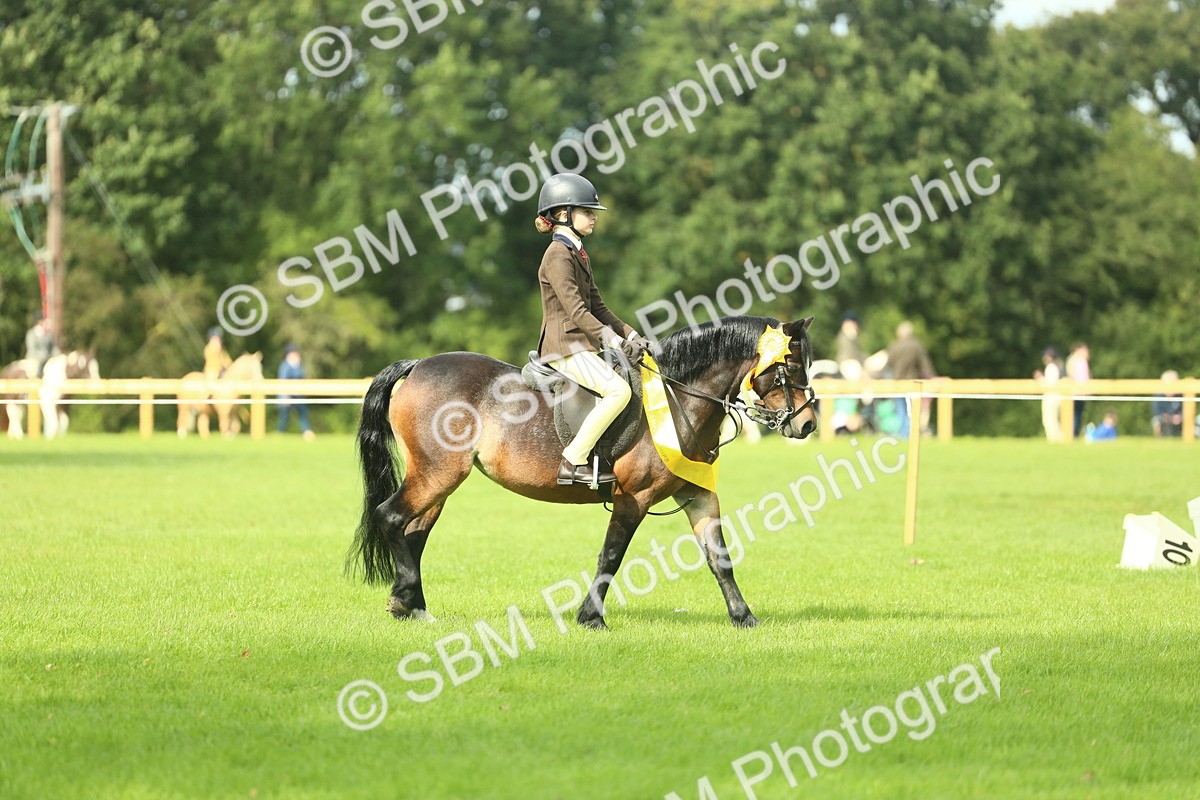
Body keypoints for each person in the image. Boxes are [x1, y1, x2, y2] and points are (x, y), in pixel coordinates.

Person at [534, 173, 649, 486]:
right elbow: (576, 310)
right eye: (587, 212)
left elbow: (598, 307)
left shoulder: (577, 252)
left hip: (582, 344)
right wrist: (611, 341)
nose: (593, 217)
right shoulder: (557, 255)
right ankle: (573, 460)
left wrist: (631, 335)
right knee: (618, 391)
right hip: (565, 346)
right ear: (563, 215)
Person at [886, 320, 936, 437]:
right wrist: (932, 377)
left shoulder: (894, 346)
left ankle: (903, 434)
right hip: (913, 383)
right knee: (913, 411)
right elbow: (925, 364)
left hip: (897, 382)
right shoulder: (916, 345)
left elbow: (888, 365)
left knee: (901, 410)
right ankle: (911, 434)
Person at [277, 344, 314, 440]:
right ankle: (280, 432)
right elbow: (283, 380)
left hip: (298, 394)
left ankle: (307, 431)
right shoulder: (285, 365)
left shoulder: (298, 365)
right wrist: (285, 396)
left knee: (302, 413)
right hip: (287, 394)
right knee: (284, 415)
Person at [1033, 346, 1065, 443]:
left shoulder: (1051, 367)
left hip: (1051, 396)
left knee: (1050, 419)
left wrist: (1039, 378)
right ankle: (1056, 439)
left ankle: (1054, 439)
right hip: (1055, 395)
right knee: (1053, 419)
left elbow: (1050, 384)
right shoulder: (1056, 366)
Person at [1065, 342, 1090, 437]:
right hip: (1076, 392)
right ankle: (1073, 434)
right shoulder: (1075, 361)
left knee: (1078, 414)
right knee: (1075, 415)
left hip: (1081, 393)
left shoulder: (1081, 361)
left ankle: (1075, 434)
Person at [24, 312, 58, 377]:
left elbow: (53, 348)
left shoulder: (47, 335)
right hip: (34, 359)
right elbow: (32, 348)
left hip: (46, 359)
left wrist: (59, 356)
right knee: (34, 371)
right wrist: (41, 357)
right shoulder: (31, 334)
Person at [1151, 370, 1183, 437]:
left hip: (1177, 418)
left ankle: (1186, 439)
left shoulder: (1179, 396)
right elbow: (1157, 411)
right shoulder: (1159, 396)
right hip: (1164, 417)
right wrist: (1169, 417)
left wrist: (1179, 416)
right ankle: (1159, 440)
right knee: (1156, 421)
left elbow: (1184, 409)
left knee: (1188, 419)